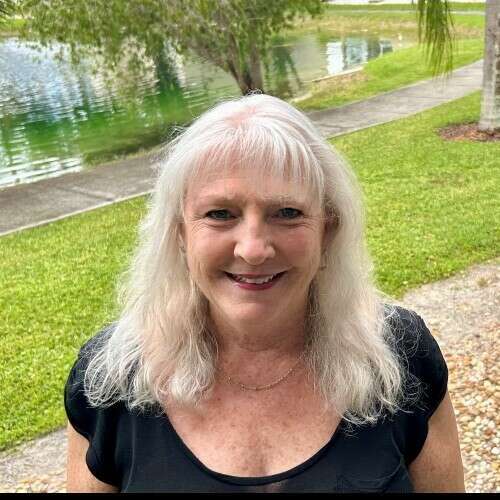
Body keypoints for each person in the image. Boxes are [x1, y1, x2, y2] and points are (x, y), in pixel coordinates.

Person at [65, 93, 465, 493]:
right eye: (220, 214)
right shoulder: (110, 380)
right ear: (180, 233)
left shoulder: (400, 357)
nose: (253, 249)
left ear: (327, 230)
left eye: (287, 213)